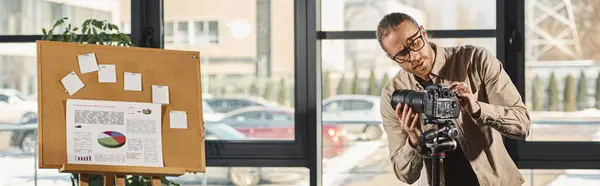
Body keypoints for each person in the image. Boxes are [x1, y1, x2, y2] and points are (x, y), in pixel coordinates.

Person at [377, 12, 531, 186]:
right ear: (391, 58)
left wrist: (478, 109)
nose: (414, 56)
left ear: (423, 33)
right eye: (402, 54)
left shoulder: (476, 61)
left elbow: (522, 124)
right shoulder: (393, 95)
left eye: (415, 43)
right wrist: (413, 141)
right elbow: (405, 175)